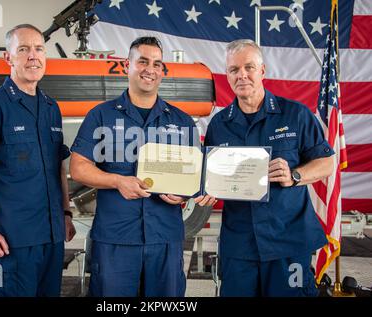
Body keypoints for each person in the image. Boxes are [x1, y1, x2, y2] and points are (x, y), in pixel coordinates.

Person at [69, 36, 216, 297]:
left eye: (157, 64)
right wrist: (117, 181)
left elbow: (195, 177)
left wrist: (183, 194)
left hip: (165, 238)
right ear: (128, 65)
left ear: (163, 71)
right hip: (116, 237)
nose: (150, 69)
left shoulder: (182, 122)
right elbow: (79, 167)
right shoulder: (101, 115)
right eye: (143, 61)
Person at [204, 39, 334, 297]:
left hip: (288, 241)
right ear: (227, 75)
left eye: (249, 67)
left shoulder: (295, 115)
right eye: (234, 69)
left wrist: (295, 175)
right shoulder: (218, 125)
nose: (242, 75)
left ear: (262, 71)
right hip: (239, 246)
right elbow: (209, 178)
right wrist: (205, 191)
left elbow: (327, 163)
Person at [0, 24, 76, 297]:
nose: (32, 56)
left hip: (52, 238)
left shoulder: (51, 108)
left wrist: (66, 214)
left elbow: (59, 167)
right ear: (8, 58)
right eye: (23, 49)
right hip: (11, 242)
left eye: (38, 49)